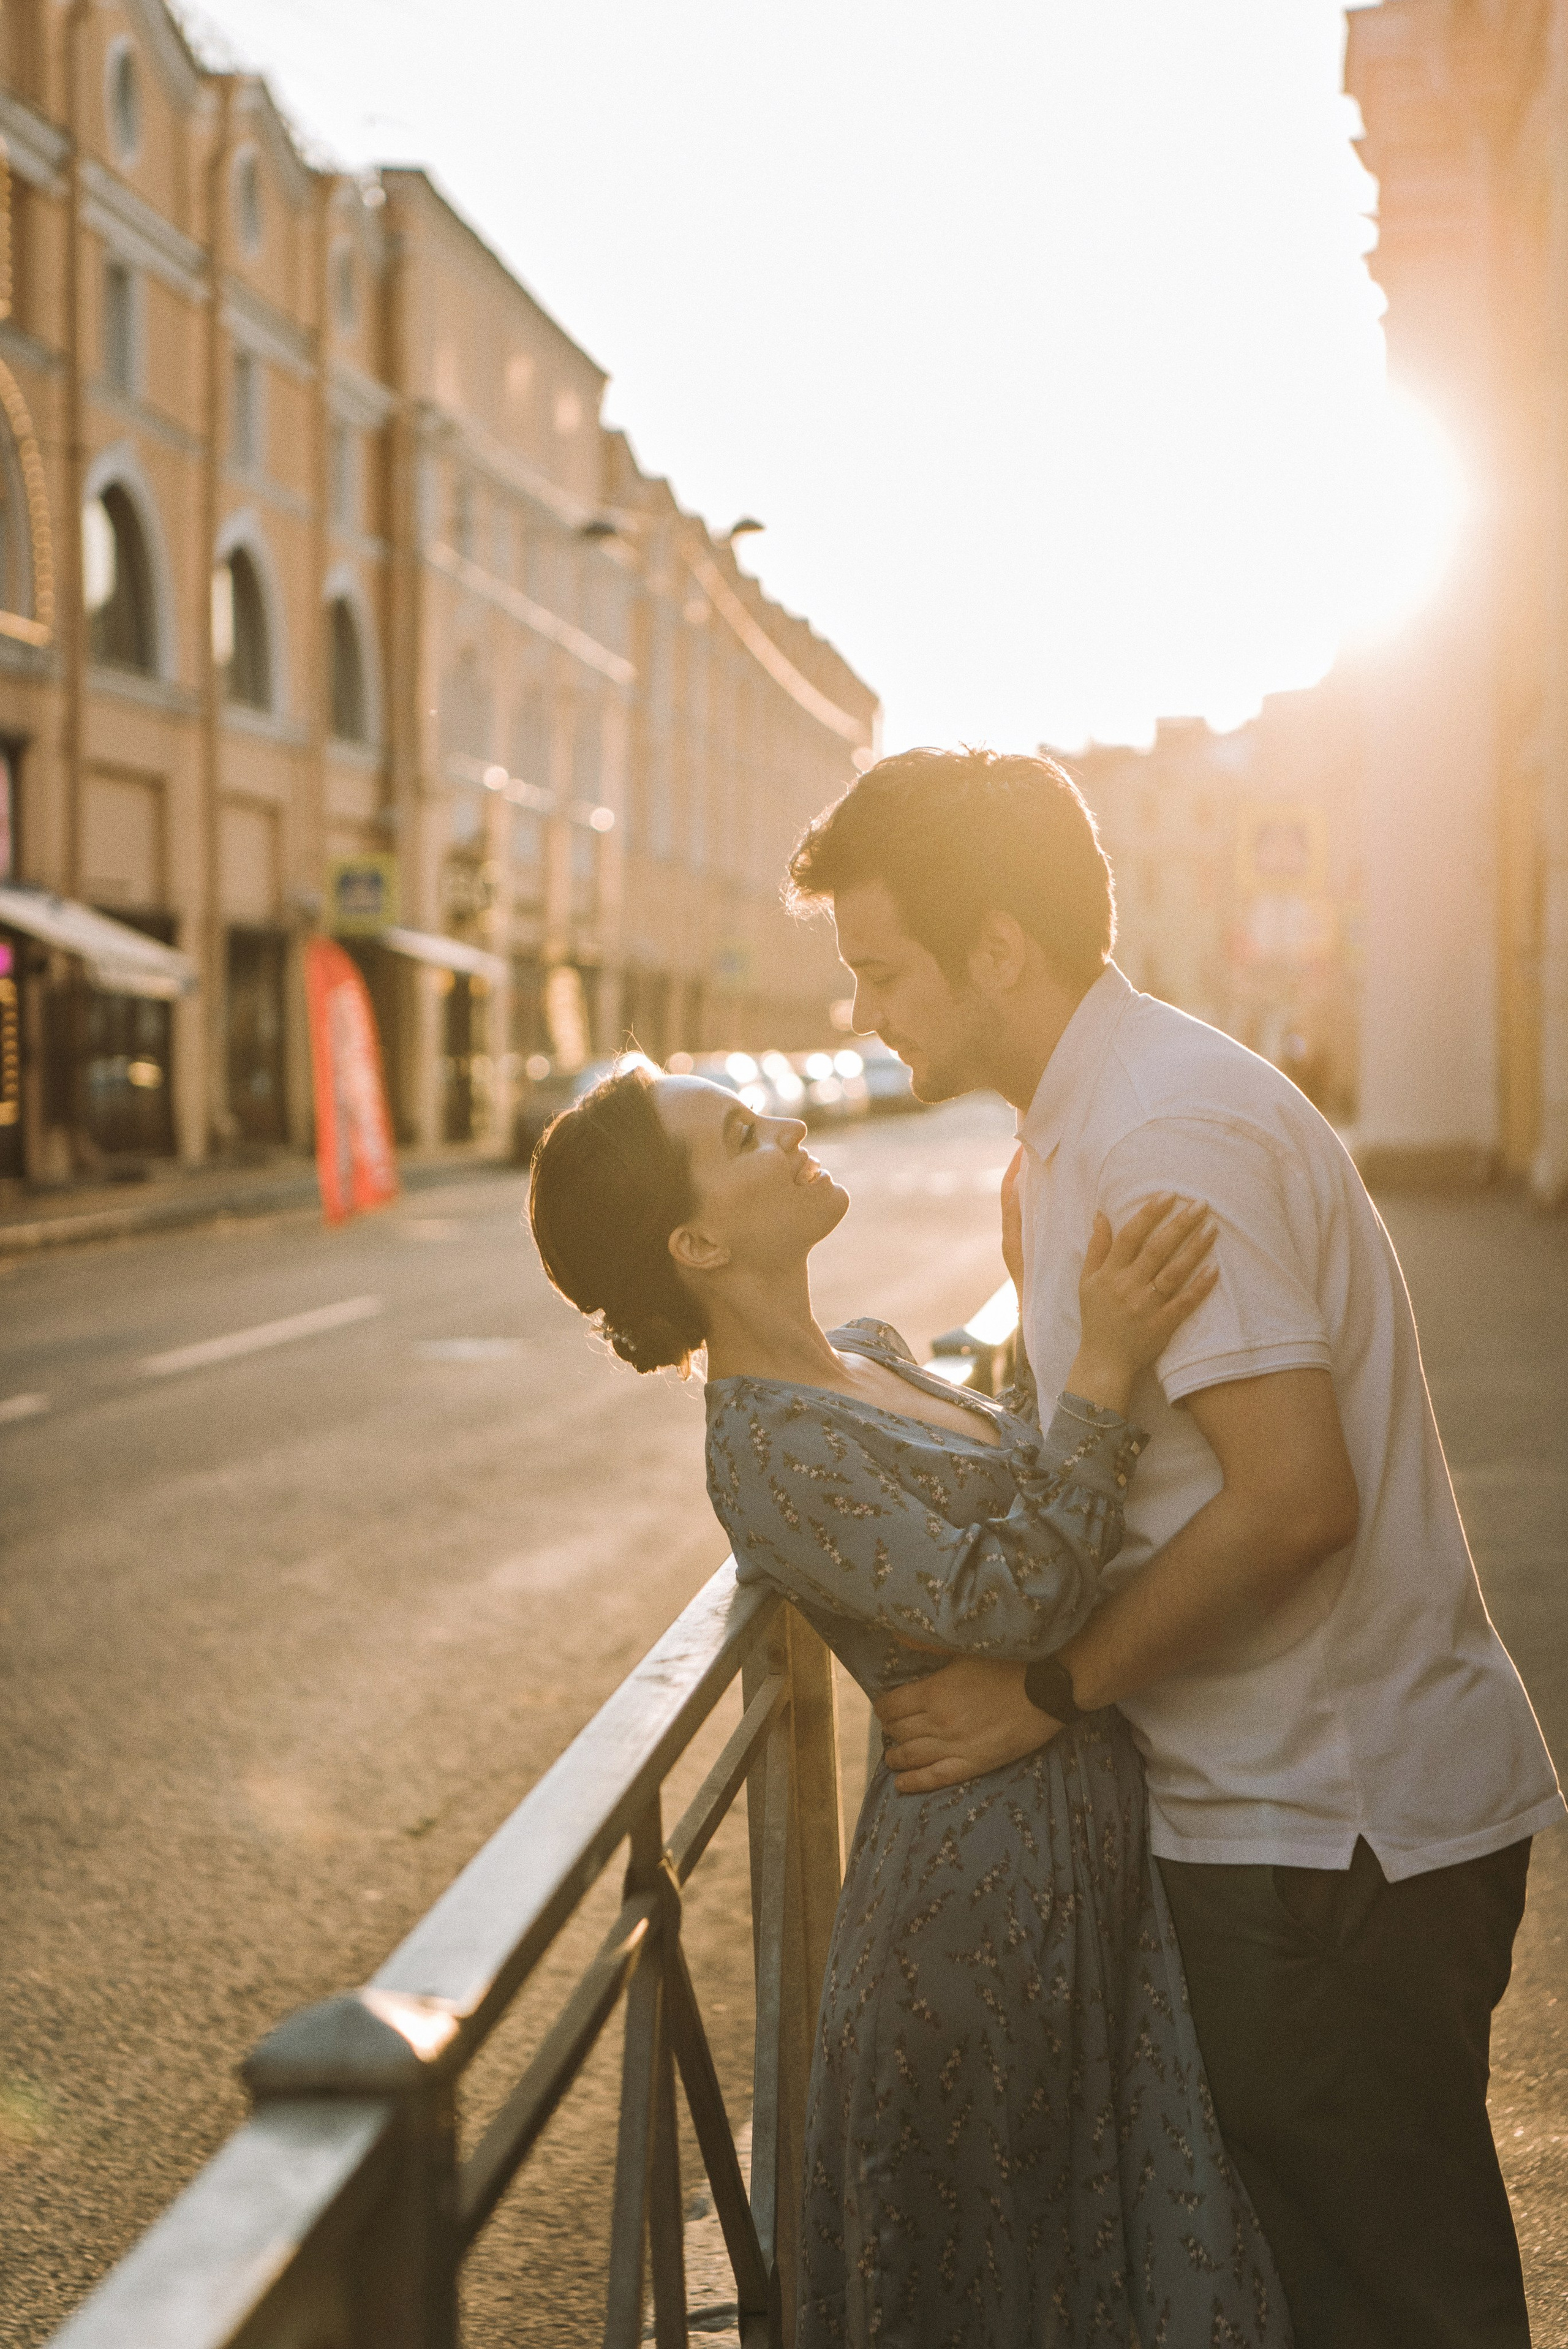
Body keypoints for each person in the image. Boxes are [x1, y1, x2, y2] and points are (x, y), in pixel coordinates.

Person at [786, 743, 1566, 2349]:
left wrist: (1047, 1692)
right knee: (1343, 2286)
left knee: (1398, 2303)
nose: (864, 1012)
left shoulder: (1161, 1132)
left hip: (1329, 1838)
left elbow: (1292, 1500)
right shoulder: (1091, 1127)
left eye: (883, 967)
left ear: (1000, 945)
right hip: (1301, 1825)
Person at [529, 1065, 1294, 2347]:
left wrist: (1037, 1286)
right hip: (971, 1926)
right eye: (741, 1133)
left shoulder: (872, 1356)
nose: (789, 1129)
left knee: (1132, 2261)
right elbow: (1025, 1601)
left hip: (1068, 1853)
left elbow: (1046, 1500)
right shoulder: (762, 1448)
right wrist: (1102, 1355)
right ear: (698, 1241)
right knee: (1015, 2291)